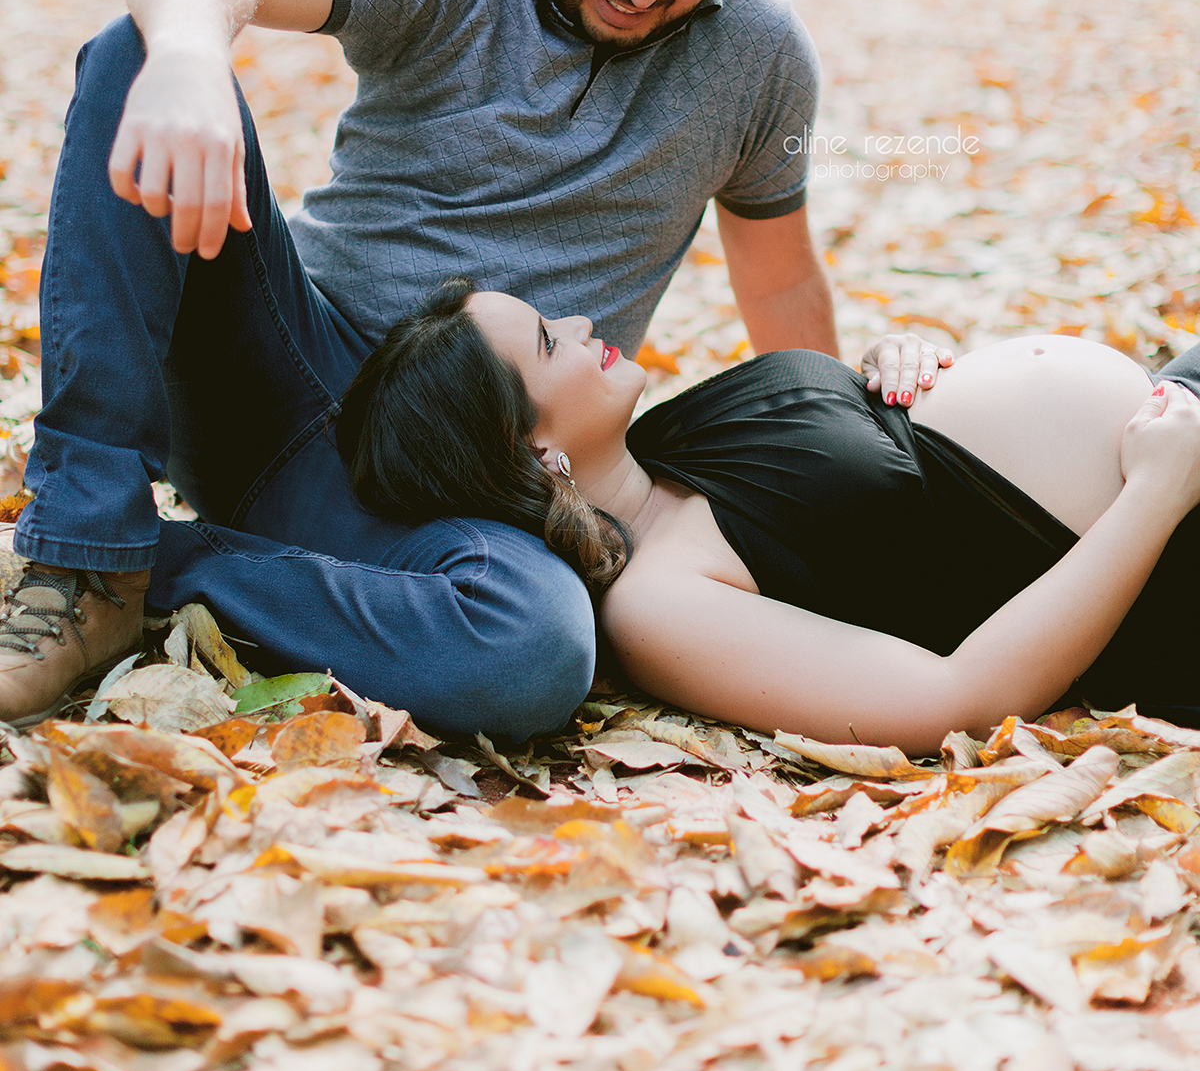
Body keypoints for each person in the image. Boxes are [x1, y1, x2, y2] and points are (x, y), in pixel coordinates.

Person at [3, 0, 905, 735]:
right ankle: (83, 556)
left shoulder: (763, 57)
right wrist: (185, 58)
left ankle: (162, 568)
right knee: (138, 48)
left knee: (538, 648)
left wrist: (848, 455)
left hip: (483, 473)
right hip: (283, 376)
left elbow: (780, 285)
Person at [336, 278, 1200, 756]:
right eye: (548, 340)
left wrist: (894, 375)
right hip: (1173, 558)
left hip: (1172, 421)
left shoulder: (665, 439)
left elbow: (883, 478)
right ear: (530, 448)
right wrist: (1158, 494)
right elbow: (958, 701)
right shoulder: (656, 607)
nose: (581, 319)